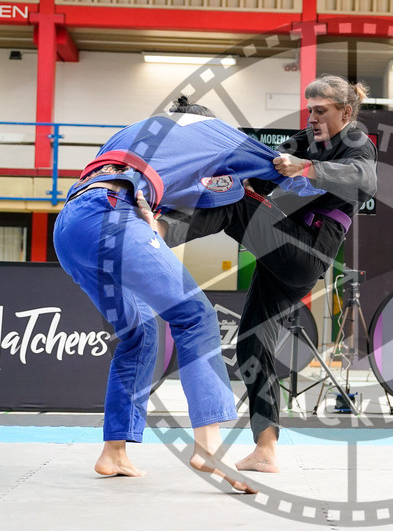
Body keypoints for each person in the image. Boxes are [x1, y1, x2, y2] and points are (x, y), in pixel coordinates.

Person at [53, 96, 323, 490]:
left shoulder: (133, 130)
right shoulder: (217, 132)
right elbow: (286, 171)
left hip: (70, 224)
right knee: (195, 316)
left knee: (139, 332)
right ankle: (209, 449)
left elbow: (161, 185)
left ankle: (113, 452)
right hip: (113, 217)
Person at [155, 75, 378, 474]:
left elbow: (366, 180)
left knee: (237, 203)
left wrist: (306, 168)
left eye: (321, 111)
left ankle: (158, 232)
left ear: (346, 113)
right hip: (282, 254)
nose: (312, 117)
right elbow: (253, 161)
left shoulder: (358, 143)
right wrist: (206, 126)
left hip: (306, 251)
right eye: (310, 109)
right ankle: (266, 449)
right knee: (252, 346)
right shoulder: (304, 140)